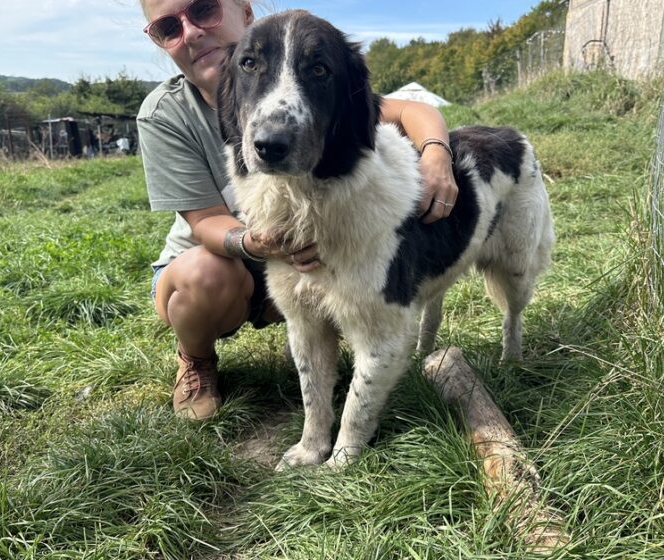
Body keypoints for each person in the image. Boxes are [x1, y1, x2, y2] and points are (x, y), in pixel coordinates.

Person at [137, 0, 459, 420]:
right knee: (205, 273)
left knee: (341, 280)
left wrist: (436, 153)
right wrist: (256, 242)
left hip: (301, 250)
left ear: (244, 12)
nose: (192, 32)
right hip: (215, 263)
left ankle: (330, 333)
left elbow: (413, 110)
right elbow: (205, 221)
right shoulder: (165, 114)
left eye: (203, 9)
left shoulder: (326, 77)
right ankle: (196, 359)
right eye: (168, 27)